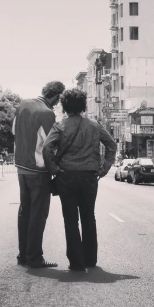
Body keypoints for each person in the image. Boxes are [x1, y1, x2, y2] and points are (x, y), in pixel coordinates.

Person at [42, 88, 117, 272]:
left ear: (65, 106)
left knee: (70, 219)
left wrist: (54, 169)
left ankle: (76, 261)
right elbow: (111, 145)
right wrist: (104, 168)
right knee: (88, 217)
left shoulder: (60, 126)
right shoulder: (94, 125)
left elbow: (46, 148)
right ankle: (90, 258)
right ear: (83, 105)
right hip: (90, 177)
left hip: (66, 176)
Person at [13, 80, 65, 268]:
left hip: (21, 168)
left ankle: (23, 256)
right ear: (56, 96)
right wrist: (55, 169)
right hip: (38, 170)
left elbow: (14, 132)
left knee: (24, 212)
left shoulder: (23, 105)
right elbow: (50, 145)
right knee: (38, 214)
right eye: (58, 99)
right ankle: (35, 257)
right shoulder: (47, 113)